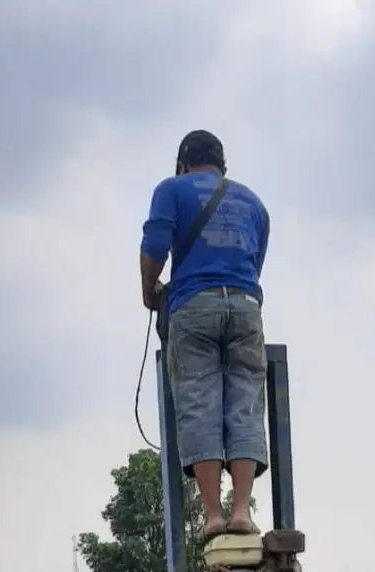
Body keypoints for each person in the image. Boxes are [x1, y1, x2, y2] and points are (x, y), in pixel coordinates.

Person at [140, 129, 271, 541]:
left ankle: (213, 515)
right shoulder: (254, 203)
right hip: (247, 308)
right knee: (246, 406)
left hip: (194, 307)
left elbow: (155, 246)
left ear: (183, 164)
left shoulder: (171, 189)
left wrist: (150, 292)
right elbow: (254, 263)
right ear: (222, 166)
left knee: (199, 404)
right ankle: (241, 513)